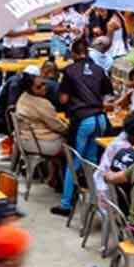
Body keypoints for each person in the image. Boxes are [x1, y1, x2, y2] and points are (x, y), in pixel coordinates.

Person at [53, 38, 114, 217]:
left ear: (73, 53)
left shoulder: (69, 71)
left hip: (82, 120)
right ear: (87, 52)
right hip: (100, 120)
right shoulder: (99, 70)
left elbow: (63, 99)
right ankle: (98, 205)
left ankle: (65, 204)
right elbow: (108, 97)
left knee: (74, 161)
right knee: (93, 160)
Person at [14, 75, 68, 188]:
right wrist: (70, 129)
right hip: (39, 143)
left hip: (25, 140)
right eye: (39, 87)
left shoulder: (23, 97)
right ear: (30, 89)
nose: (44, 88)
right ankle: (65, 184)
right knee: (72, 145)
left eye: (44, 84)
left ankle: (52, 177)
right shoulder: (42, 104)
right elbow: (57, 126)